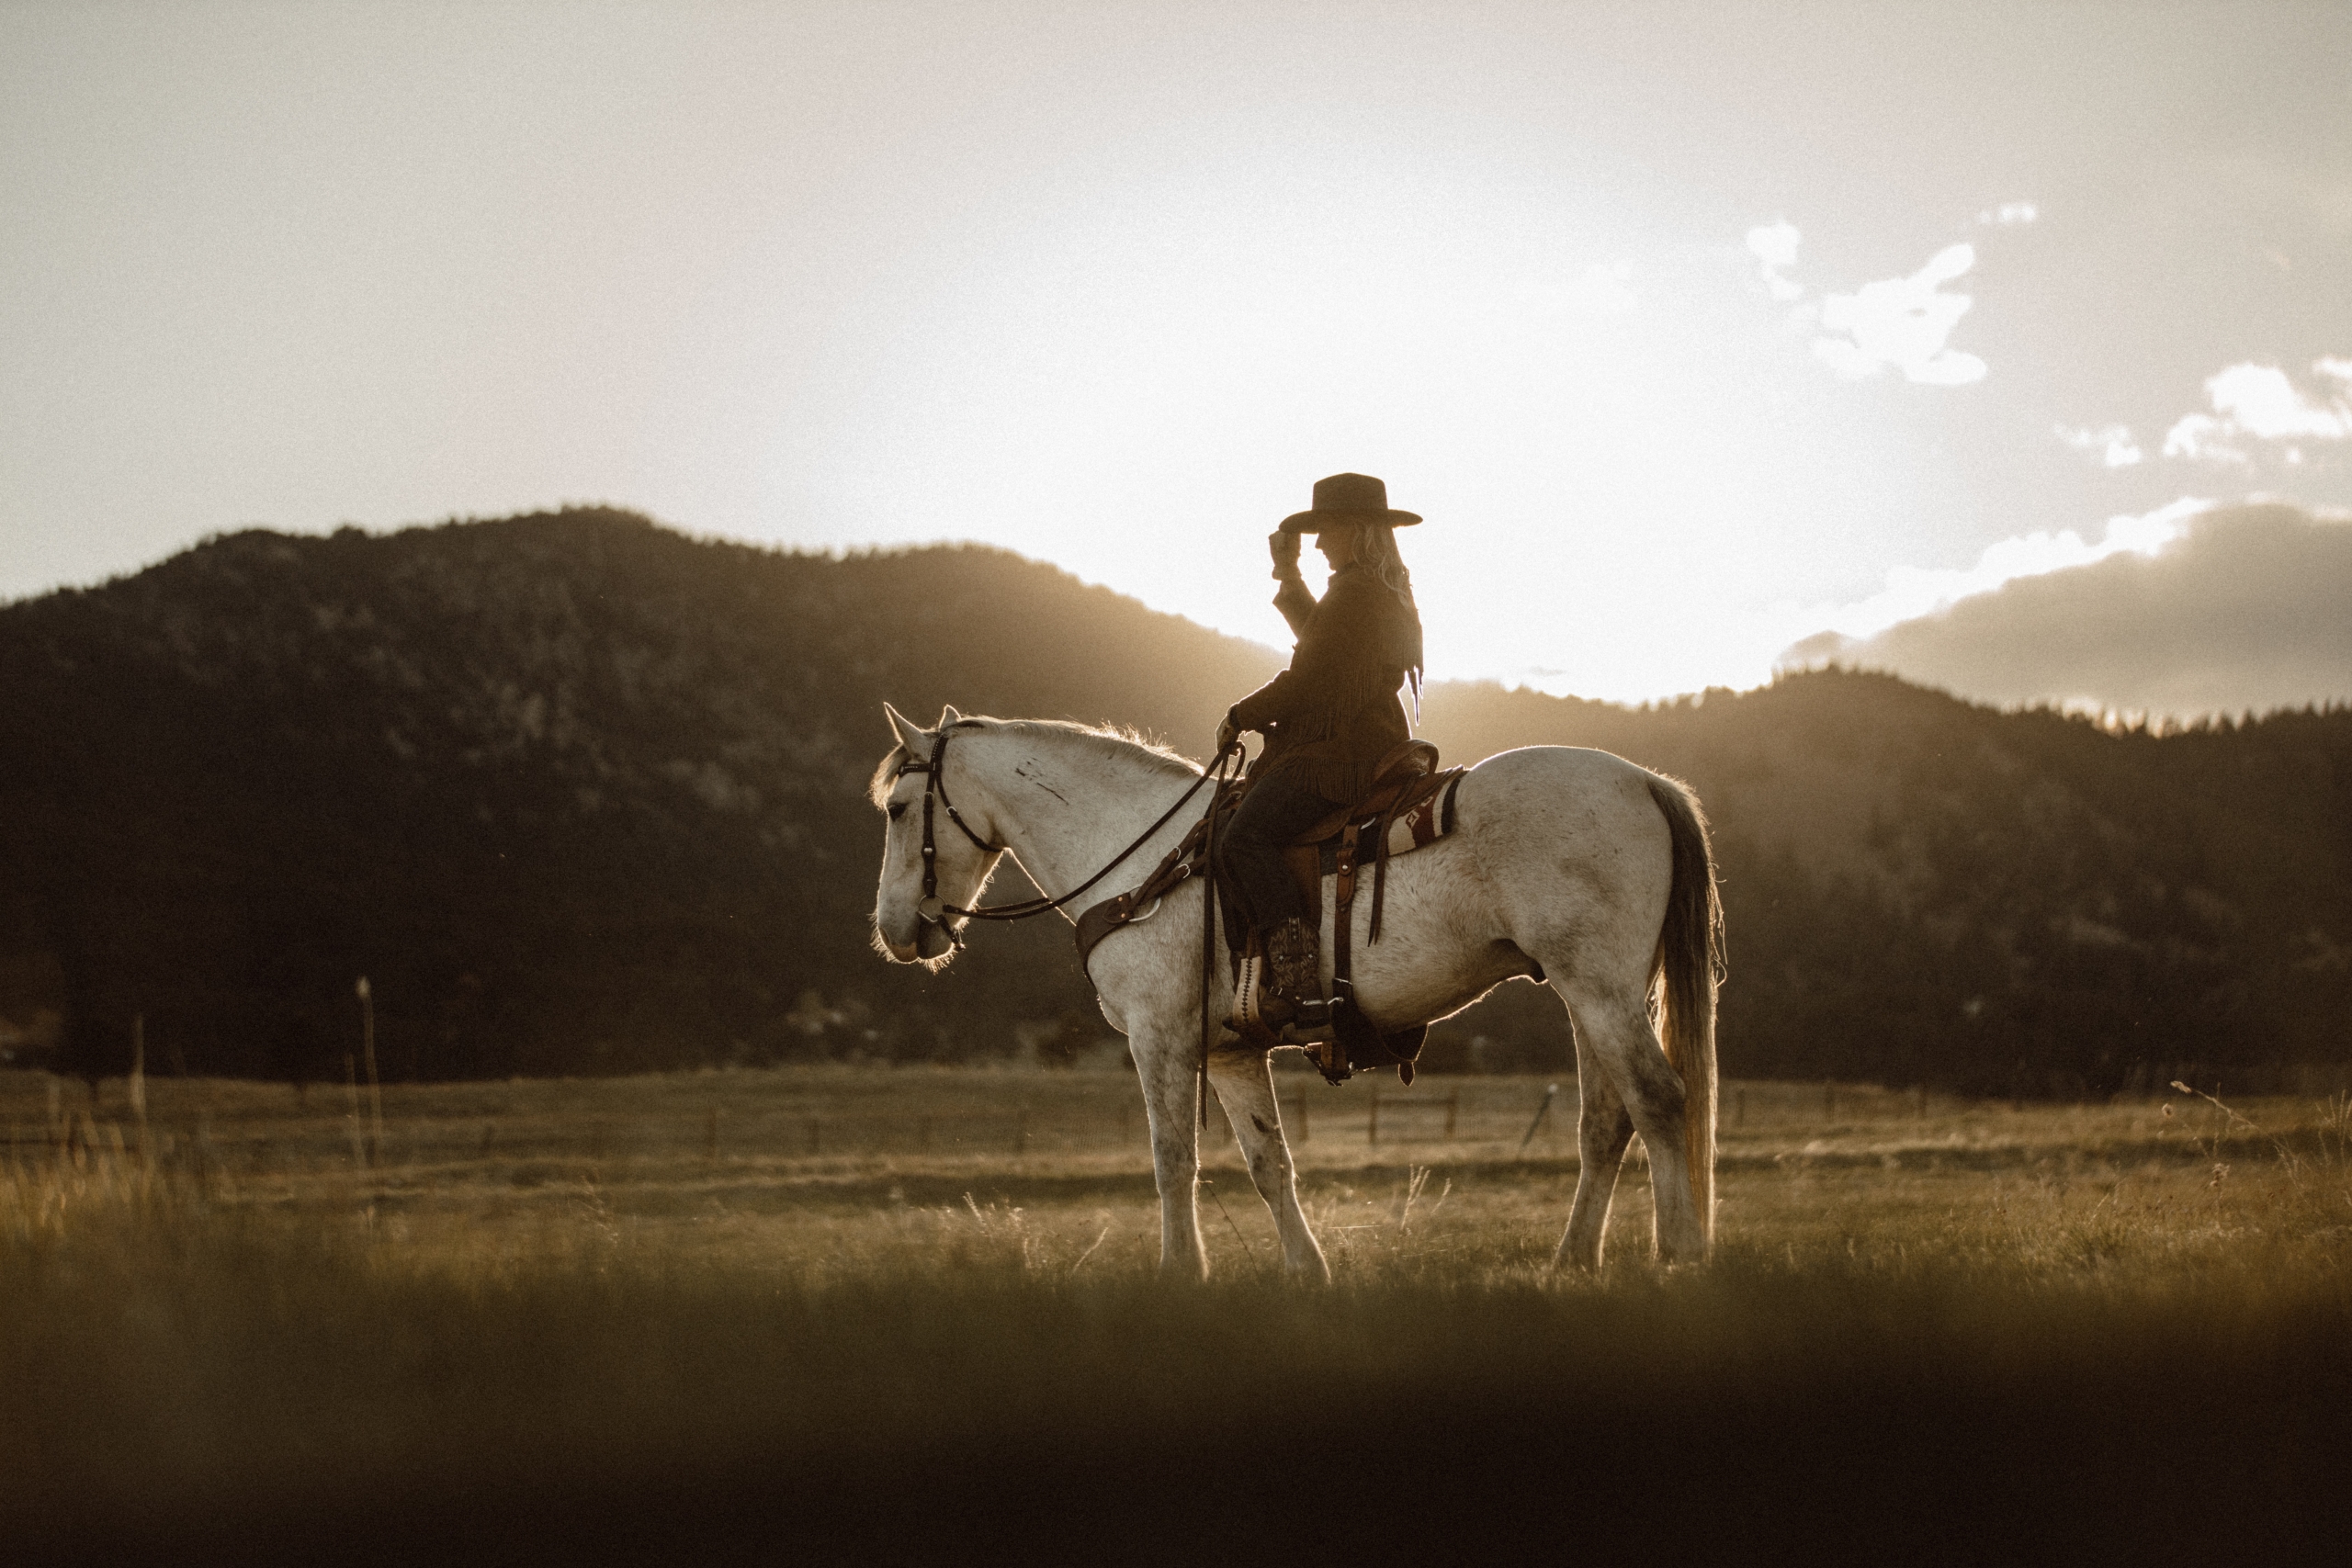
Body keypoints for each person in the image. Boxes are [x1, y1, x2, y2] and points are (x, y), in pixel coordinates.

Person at [1214, 472, 1425, 1036]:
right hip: (1374, 735)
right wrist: (1288, 574)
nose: (1320, 542)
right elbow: (1325, 646)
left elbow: (1307, 678)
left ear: (1355, 531)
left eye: (1327, 531)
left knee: (1244, 838)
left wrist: (1241, 714)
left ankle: (1297, 971)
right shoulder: (1379, 588)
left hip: (1346, 748)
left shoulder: (1355, 592)